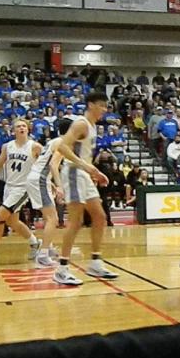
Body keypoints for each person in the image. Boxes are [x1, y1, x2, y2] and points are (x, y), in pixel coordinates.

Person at [52, 92, 117, 286]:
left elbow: (86, 156)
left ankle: (96, 262)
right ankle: (62, 269)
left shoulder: (93, 126)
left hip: (84, 174)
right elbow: (62, 147)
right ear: (91, 105)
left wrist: (94, 172)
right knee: (76, 222)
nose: (104, 110)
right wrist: (86, 167)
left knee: (100, 217)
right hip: (73, 173)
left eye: (106, 107)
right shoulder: (81, 123)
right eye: (101, 106)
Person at [0, 119, 42, 263]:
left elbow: (46, 165)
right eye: (18, 126)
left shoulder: (35, 147)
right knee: (13, 222)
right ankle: (34, 243)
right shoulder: (8, 146)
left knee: (0, 217)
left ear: (28, 129)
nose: (21, 128)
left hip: (23, 188)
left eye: (24, 126)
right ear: (13, 130)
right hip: (9, 186)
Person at [25, 118, 72, 267]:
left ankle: (48, 247)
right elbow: (53, 165)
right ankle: (43, 255)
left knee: (48, 217)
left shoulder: (55, 141)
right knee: (53, 218)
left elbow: (44, 163)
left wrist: (50, 183)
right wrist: (59, 186)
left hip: (37, 177)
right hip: (39, 178)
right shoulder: (63, 143)